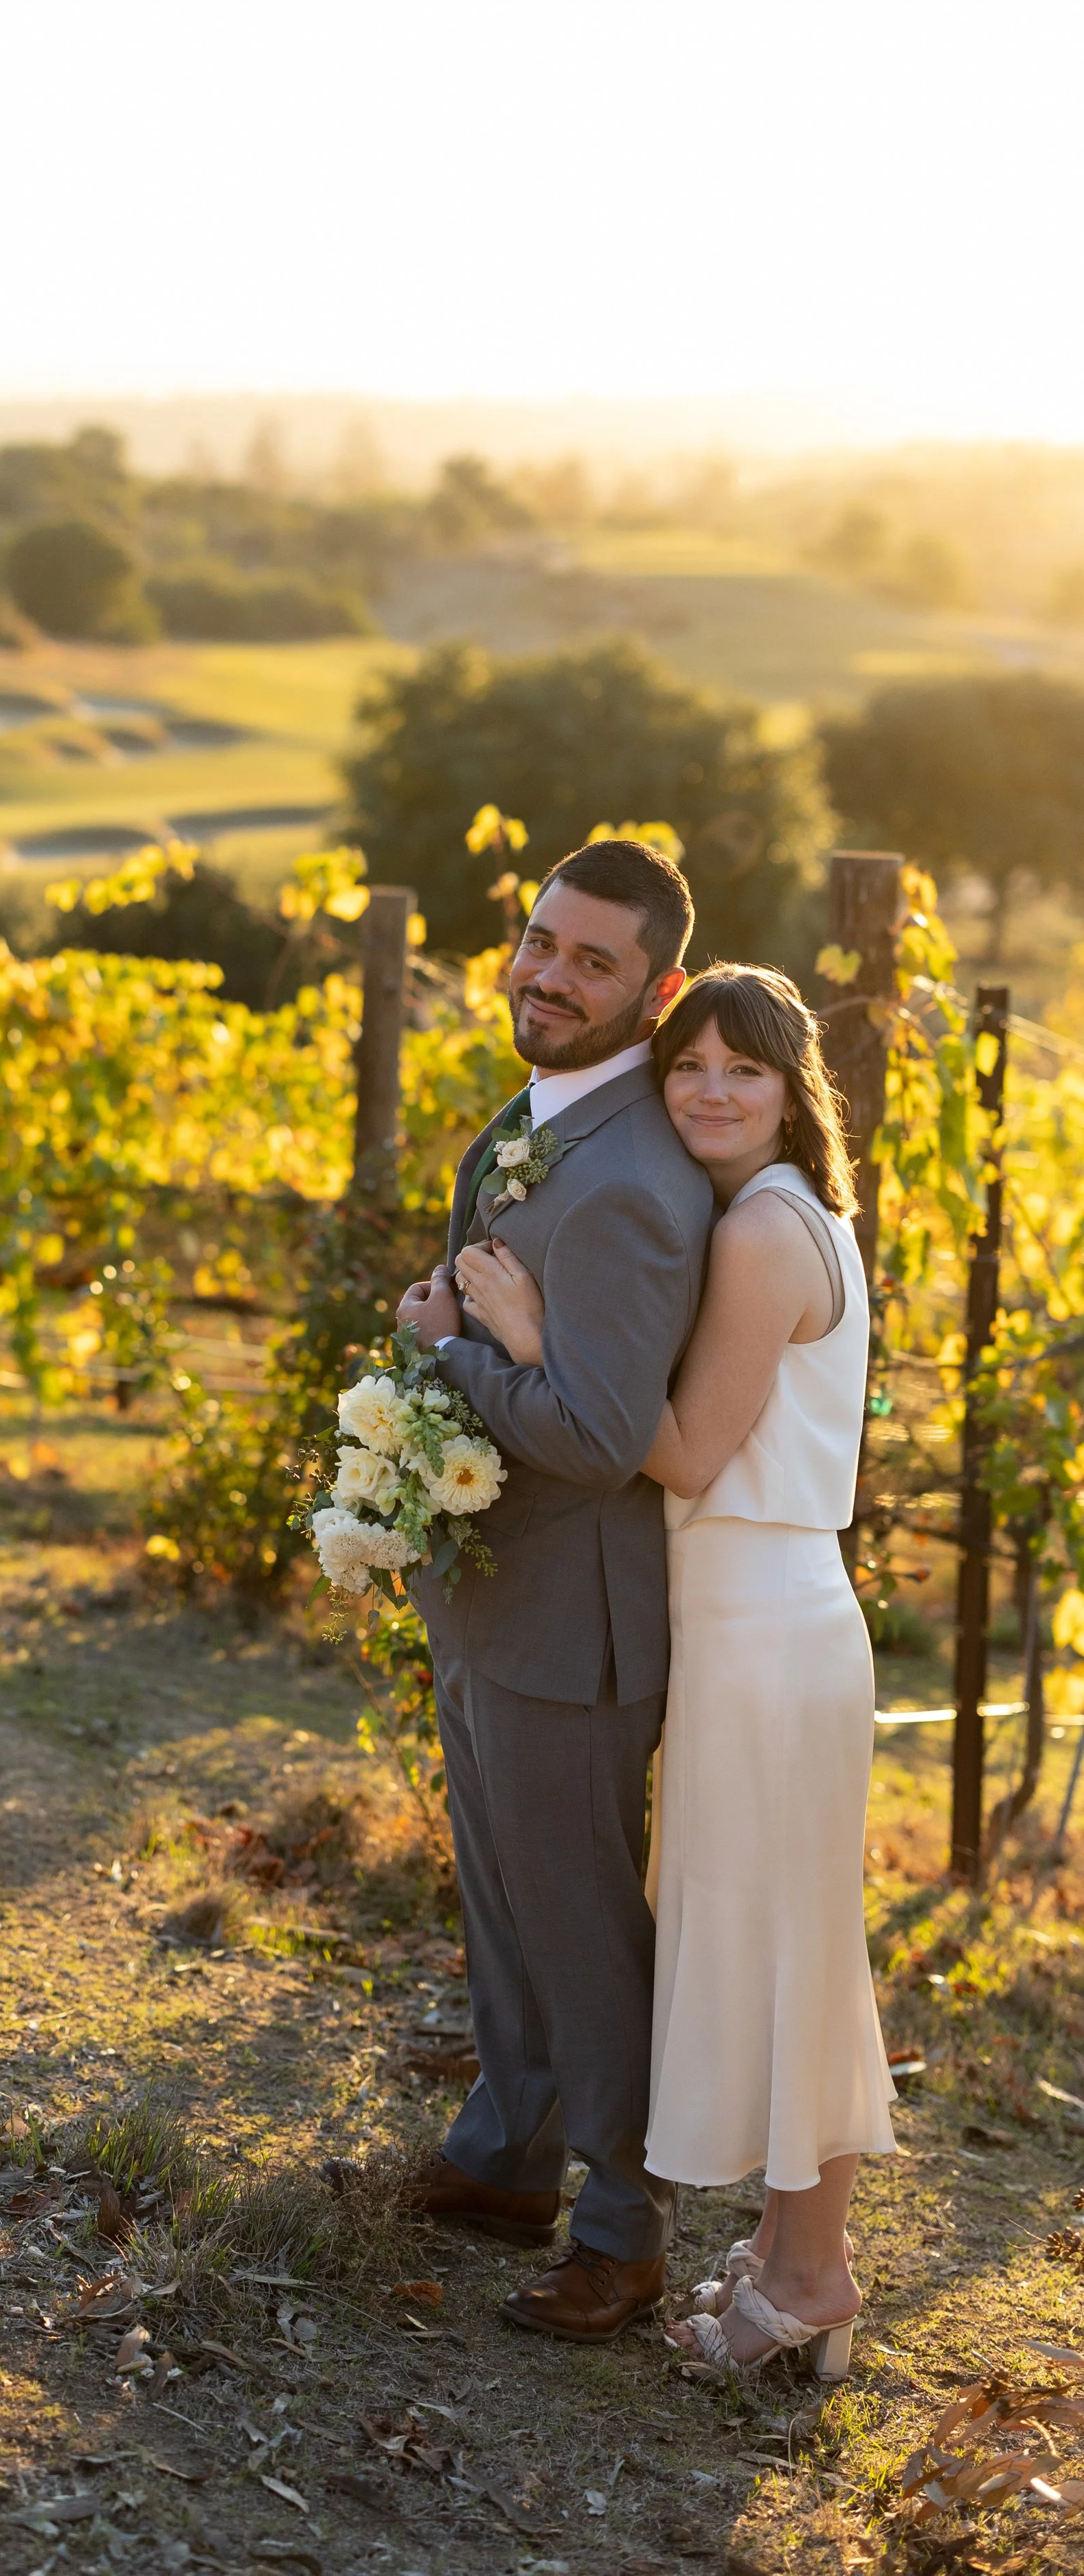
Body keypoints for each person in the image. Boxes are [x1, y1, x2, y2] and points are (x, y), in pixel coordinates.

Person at [466, 961, 896, 2382]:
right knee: (777, 1951)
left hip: (764, 1631)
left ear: (790, 1095)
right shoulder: (780, 1214)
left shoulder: (766, 1234)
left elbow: (686, 1452)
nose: (707, 1090)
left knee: (790, 1960)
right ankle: (783, 2256)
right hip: (750, 1625)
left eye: (743, 1071)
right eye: (687, 1067)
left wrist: (529, 1342)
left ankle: (809, 2279)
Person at [393, 837, 714, 2345]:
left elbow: (594, 1437)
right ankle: (505, 2155)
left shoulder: (640, 1182)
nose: (548, 975)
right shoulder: (534, 1125)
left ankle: (619, 2229)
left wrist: (444, 1355)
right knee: (502, 1897)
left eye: (591, 962)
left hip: (574, 1623)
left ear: (652, 991)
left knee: (578, 1923)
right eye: (539, 941)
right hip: (489, 1591)